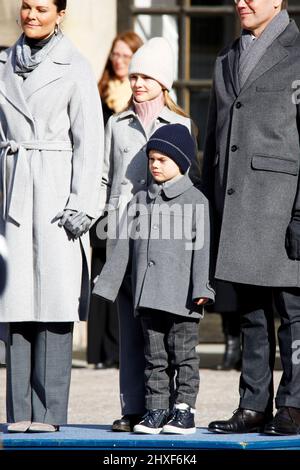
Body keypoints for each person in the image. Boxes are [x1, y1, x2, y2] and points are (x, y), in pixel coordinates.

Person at [0, 0, 103, 432]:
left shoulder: (75, 65)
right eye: (26, 6)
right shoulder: (4, 63)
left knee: (54, 305)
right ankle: (19, 412)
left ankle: (49, 413)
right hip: (12, 193)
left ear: (60, 13)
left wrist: (83, 203)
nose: (31, 15)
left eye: (42, 8)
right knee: (17, 302)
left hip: (57, 195)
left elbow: (90, 141)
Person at [202, 0, 300, 435]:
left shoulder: (298, 51)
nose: (241, 1)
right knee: (250, 314)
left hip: (283, 208)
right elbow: (214, 137)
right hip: (237, 206)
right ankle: (253, 403)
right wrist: (209, 206)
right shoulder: (226, 57)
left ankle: (295, 404)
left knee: (293, 313)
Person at [96, 37, 199, 432]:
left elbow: (191, 182)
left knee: (166, 331)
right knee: (130, 326)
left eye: (146, 76)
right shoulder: (116, 124)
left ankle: (175, 407)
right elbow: (105, 177)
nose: (137, 82)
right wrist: (103, 226)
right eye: (135, 75)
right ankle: (134, 407)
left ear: (164, 83)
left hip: (167, 239)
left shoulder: (182, 124)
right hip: (124, 235)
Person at [93, 123, 214, 434]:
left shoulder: (196, 201)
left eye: (163, 159)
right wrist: (106, 283)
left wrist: (202, 287)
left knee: (184, 356)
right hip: (148, 298)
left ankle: (184, 411)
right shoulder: (140, 201)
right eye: (152, 159)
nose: (155, 165)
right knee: (154, 359)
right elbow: (123, 248)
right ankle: (157, 409)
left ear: (183, 162)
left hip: (183, 300)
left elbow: (202, 250)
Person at [87, 31, 143, 370]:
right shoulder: (99, 92)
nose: (118, 61)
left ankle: (123, 347)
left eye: (125, 55)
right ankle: (103, 350)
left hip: (131, 195)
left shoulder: (141, 96)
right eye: (115, 55)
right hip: (105, 190)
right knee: (103, 269)